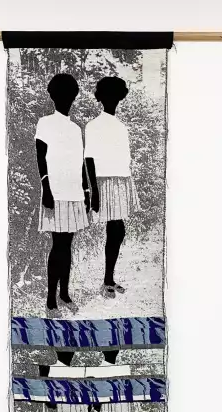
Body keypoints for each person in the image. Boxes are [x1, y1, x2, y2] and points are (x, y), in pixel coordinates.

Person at [35, 73, 90, 317]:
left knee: (67, 245)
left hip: (74, 192)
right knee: (58, 245)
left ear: (73, 97)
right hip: (55, 192)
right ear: (54, 97)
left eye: (70, 95)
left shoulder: (76, 129)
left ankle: (64, 294)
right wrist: (45, 187)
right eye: (61, 95)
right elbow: (41, 157)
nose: (66, 99)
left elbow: (80, 162)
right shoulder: (45, 123)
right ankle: (50, 301)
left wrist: (86, 191)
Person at [84, 76, 141, 299]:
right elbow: (89, 158)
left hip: (121, 180)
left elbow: (124, 157)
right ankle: (107, 281)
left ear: (120, 98)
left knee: (118, 229)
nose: (112, 100)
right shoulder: (93, 125)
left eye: (116, 96)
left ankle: (109, 279)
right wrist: (94, 190)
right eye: (108, 96)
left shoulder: (121, 127)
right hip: (105, 181)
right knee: (115, 229)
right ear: (101, 98)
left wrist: (127, 182)